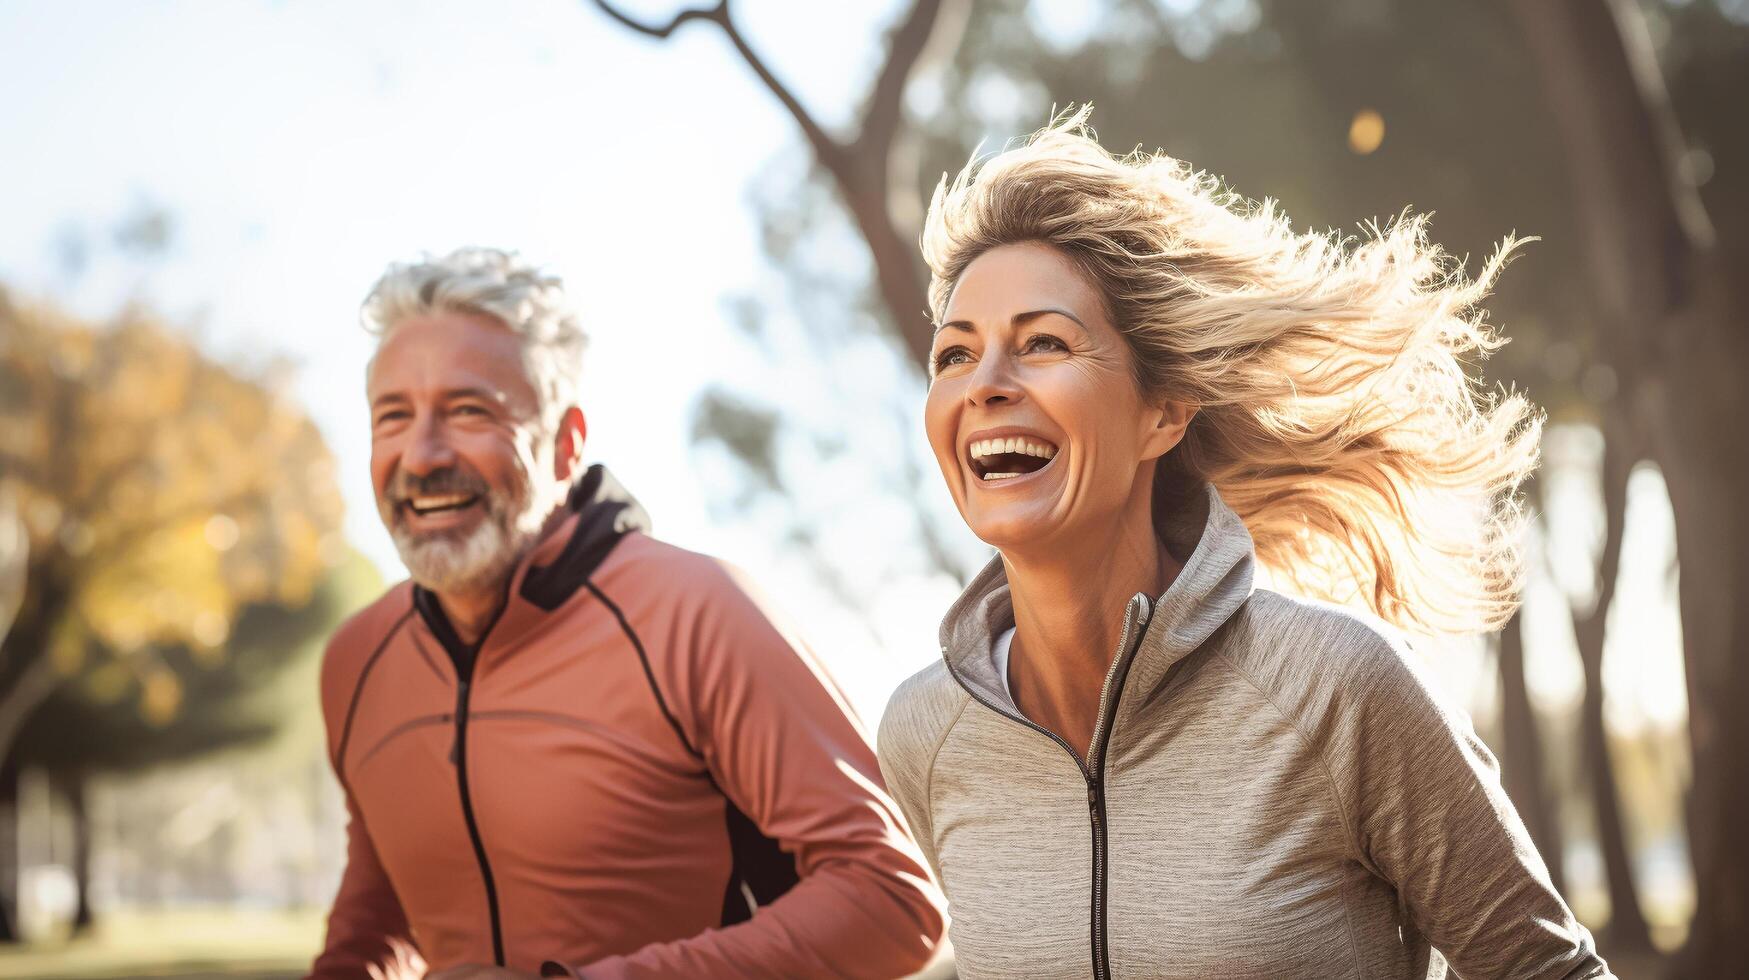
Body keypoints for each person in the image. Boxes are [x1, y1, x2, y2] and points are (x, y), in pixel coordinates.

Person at [876, 108, 1612, 979]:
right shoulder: (926, 734)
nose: (986, 385)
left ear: (1164, 412)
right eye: (953, 356)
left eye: (1043, 343)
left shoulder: (1332, 686)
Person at [308, 248, 944, 979]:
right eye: (392, 416)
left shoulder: (698, 614)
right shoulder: (357, 660)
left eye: (468, 411)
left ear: (565, 444)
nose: (420, 456)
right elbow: (378, 927)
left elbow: (892, 901)